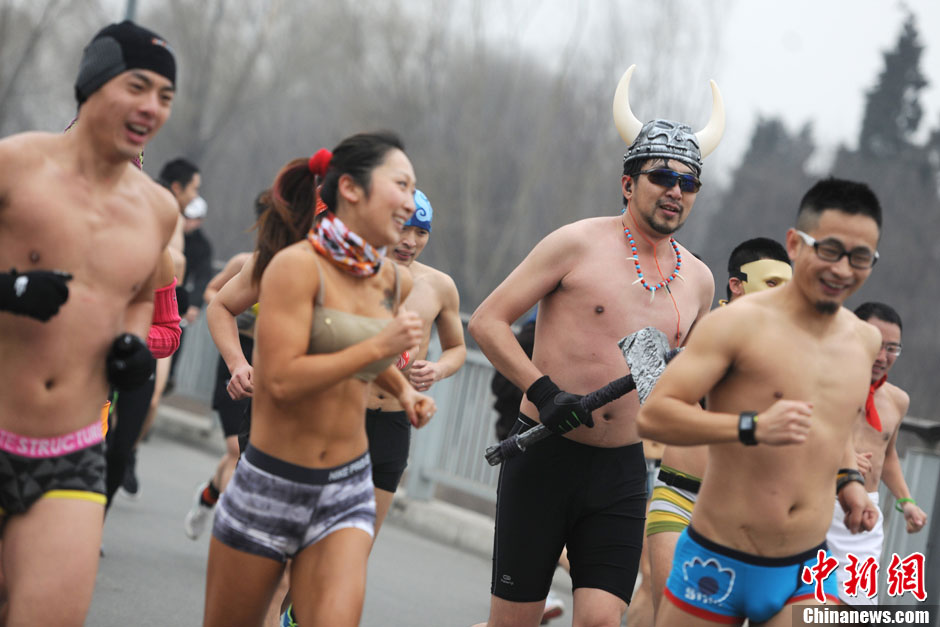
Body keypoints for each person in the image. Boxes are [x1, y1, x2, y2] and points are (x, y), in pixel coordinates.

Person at [468, 65, 722, 627]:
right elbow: (487, 322)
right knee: (512, 621)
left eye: (688, 182)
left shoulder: (699, 280)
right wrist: (544, 391)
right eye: (662, 176)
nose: (675, 191)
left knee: (603, 621)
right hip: (542, 455)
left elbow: (690, 383)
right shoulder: (577, 243)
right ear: (628, 183)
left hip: (622, 472)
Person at [203, 132, 437, 627]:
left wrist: (405, 391)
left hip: (346, 488)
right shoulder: (293, 266)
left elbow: (363, 360)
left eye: (414, 188)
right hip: (272, 480)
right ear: (351, 189)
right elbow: (283, 381)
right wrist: (380, 346)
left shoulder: (396, 280)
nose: (411, 202)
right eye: (401, 184)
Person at [637, 177, 883, 626]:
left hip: (807, 567)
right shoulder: (736, 325)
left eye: (860, 257)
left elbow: (834, 426)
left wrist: (849, 484)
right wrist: (749, 427)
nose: (843, 269)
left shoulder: (864, 340)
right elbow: (654, 416)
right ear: (795, 243)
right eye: (829, 250)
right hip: (717, 557)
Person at [0, 20, 177, 624]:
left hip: (72, 451)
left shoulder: (158, 210)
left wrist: (131, 339)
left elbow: (136, 294)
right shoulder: (14, 166)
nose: (151, 107)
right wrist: (9, 289)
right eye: (138, 87)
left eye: (165, 97)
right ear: (93, 85)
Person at [645, 236, 792, 615]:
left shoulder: (792, 352)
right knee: (667, 612)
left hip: (744, 513)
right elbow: (654, 405)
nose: (781, 297)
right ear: (737, 285)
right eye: (771, 283)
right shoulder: (705, 332)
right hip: (678, 497)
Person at [364, 188, 466, 534]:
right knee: (305, 547)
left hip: (394, 423)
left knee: (359, 546)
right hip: (345, 414)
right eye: (403, 228)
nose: (410, 240)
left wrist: (437, 369)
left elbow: (457, 348)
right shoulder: (356, 270)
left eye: (420, 233)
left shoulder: (439, 286)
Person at [826, 301, 927, 605]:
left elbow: (888, 454)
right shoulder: (822, 385)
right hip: (816, 502)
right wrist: (838, 460)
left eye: (892, 348)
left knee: (856, 609)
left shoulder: (897, 400)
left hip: (866, 514)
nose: (883, 357)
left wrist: (906, 500)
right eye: (876, 345)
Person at [183, 191, 267, 540]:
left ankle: (209, 495)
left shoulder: (298, 267)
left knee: (241, 453)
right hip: (237, 355)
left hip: (269, 362)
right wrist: (242, 314)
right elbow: (214, 296)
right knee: (235, 448)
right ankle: (229, 529)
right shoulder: (244, 263)